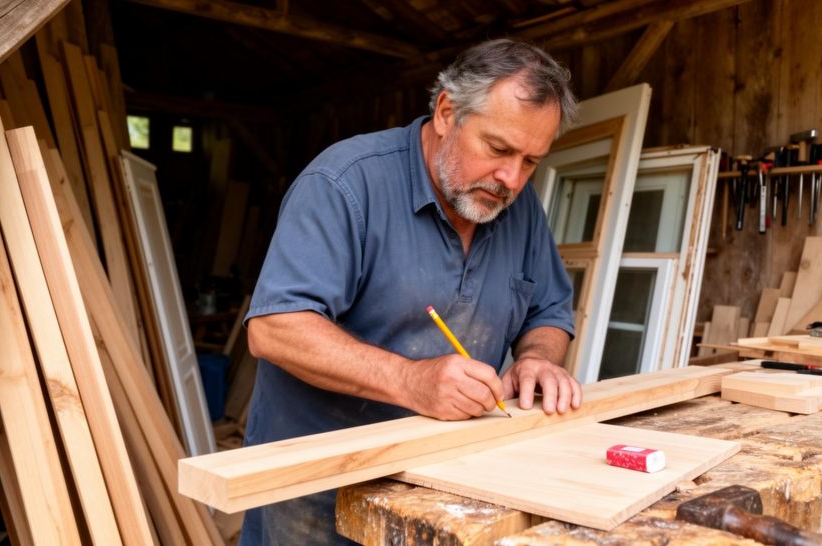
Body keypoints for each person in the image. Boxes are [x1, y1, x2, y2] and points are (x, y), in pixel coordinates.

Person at [240, 38, 583, 545]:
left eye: (531, 161)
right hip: (321, 488)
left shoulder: (519, 206)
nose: (511, 178)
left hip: (451, 483)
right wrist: (410, 380)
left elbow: (549, 311)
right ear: (446, 112)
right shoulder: (345, 183)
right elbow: (275, 329)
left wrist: (538, 359)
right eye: (497, 149)